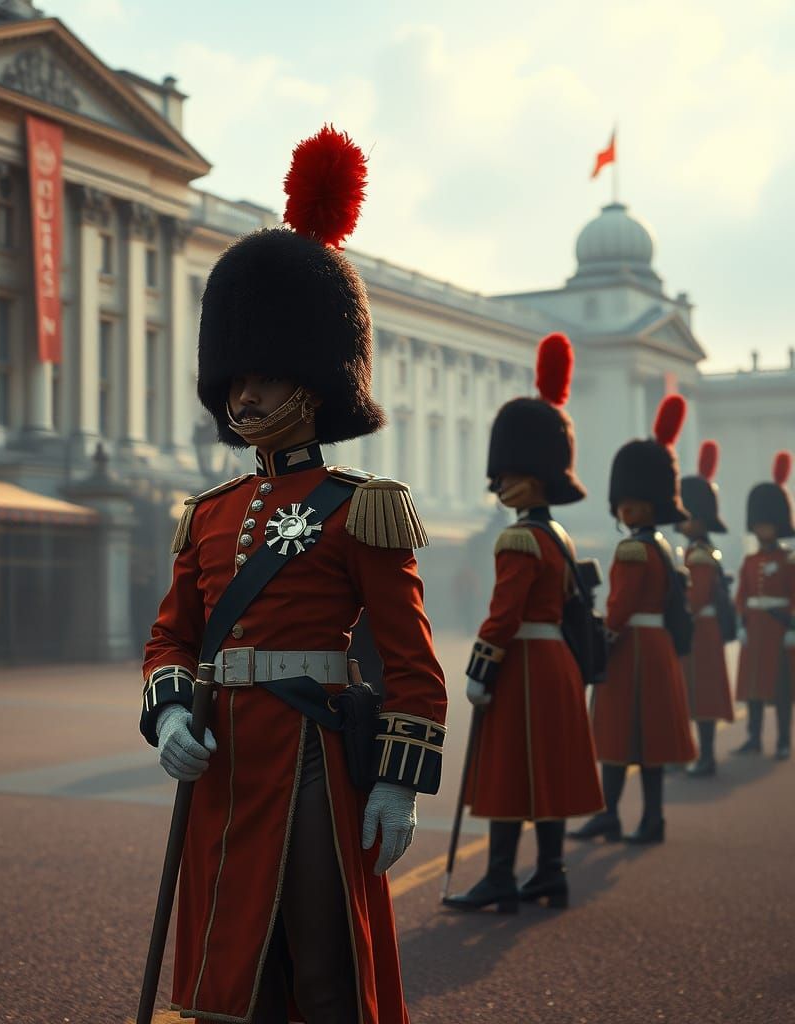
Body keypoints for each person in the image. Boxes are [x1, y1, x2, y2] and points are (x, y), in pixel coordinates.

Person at [140, 126, 447, 1024]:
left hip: (314, 755)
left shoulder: (365, 505)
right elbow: (173, 636)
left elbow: (411, 663)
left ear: (315, 382)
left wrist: (395, 779)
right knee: (224, 974)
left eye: (266, 378)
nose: (243, 399)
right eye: (235, 379)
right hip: (222, 756)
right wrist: (166, 715)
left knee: (322, 970)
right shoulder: (208, 512)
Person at [445, 333, 603, 914]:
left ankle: (500, 877)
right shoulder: (560, 535)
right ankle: (550, 874)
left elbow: (502, 613)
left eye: (507, 476)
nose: (499, 485)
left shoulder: (518, 537)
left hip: (523, 666)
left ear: (532, 478)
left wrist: (480, 668)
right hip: (557, 662)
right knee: (552, 772)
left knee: (510, 772)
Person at [570, 396, 697, 845]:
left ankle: (612, 815)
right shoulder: (666, 547)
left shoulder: (632, 549)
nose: (626, 509)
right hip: (657, 647)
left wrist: (597, 638)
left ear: (650, 504)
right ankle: (651, 817)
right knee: (650, 742)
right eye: (624, 503)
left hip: (630, 652)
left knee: (619, 738)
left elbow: (619, 606)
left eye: (633, 503)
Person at [677, 441, 735, 776]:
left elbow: (694, 601)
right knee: (697, 695)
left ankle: (705, 757)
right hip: (703, 632)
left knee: (699, 696)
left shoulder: (698, 555)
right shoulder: (698, 551)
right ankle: (700, 755)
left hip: (698, 632)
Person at [732, 452, 795, 761]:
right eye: (759, 526)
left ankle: (783, 740)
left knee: (781, 691)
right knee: (754, 689)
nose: (763, 531)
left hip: (778, 629)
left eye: (768, 526)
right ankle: (753, 738)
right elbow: (742, 593)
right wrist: (742, 619)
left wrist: (792, 628)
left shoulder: (789, 560)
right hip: (755, 630)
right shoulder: (750, 560)